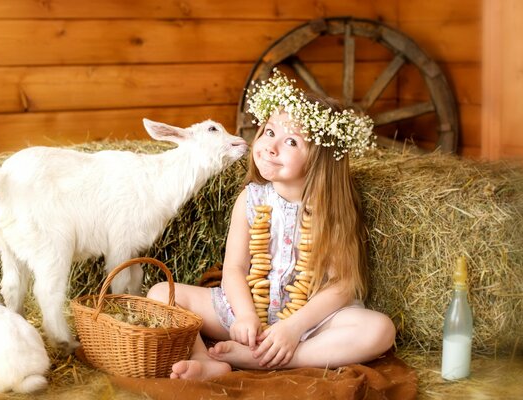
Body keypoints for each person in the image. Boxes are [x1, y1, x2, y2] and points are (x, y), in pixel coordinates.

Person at [147, 69, 396, 380]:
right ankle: (206, 359)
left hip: (309, 321)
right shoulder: (250, 200)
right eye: (269, 132)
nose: (271, 146)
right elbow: (235, 269)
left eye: (291, 141)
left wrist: (292, 328)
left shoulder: (331, 210)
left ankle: (271, 359)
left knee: (379, 330)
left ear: (320, 157)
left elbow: (342, 286)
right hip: (243, 312)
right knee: (160, 293)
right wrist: (245, 316)